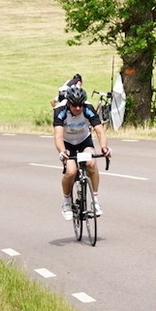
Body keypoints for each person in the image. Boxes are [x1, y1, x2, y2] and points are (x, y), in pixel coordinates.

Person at [52, 84, 108, 217]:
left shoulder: (88, 108)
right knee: (71, 171)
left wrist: (104, 148)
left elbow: (100, 131)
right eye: (74, 105)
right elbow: (58, 136)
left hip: (84, 140)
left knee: (92, 164)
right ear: (68, 104)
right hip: (67, 143)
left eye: (80, 105)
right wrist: (62, 151)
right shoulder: (60, 111)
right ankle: (66, 201)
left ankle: (95, 201)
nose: (78, 108)